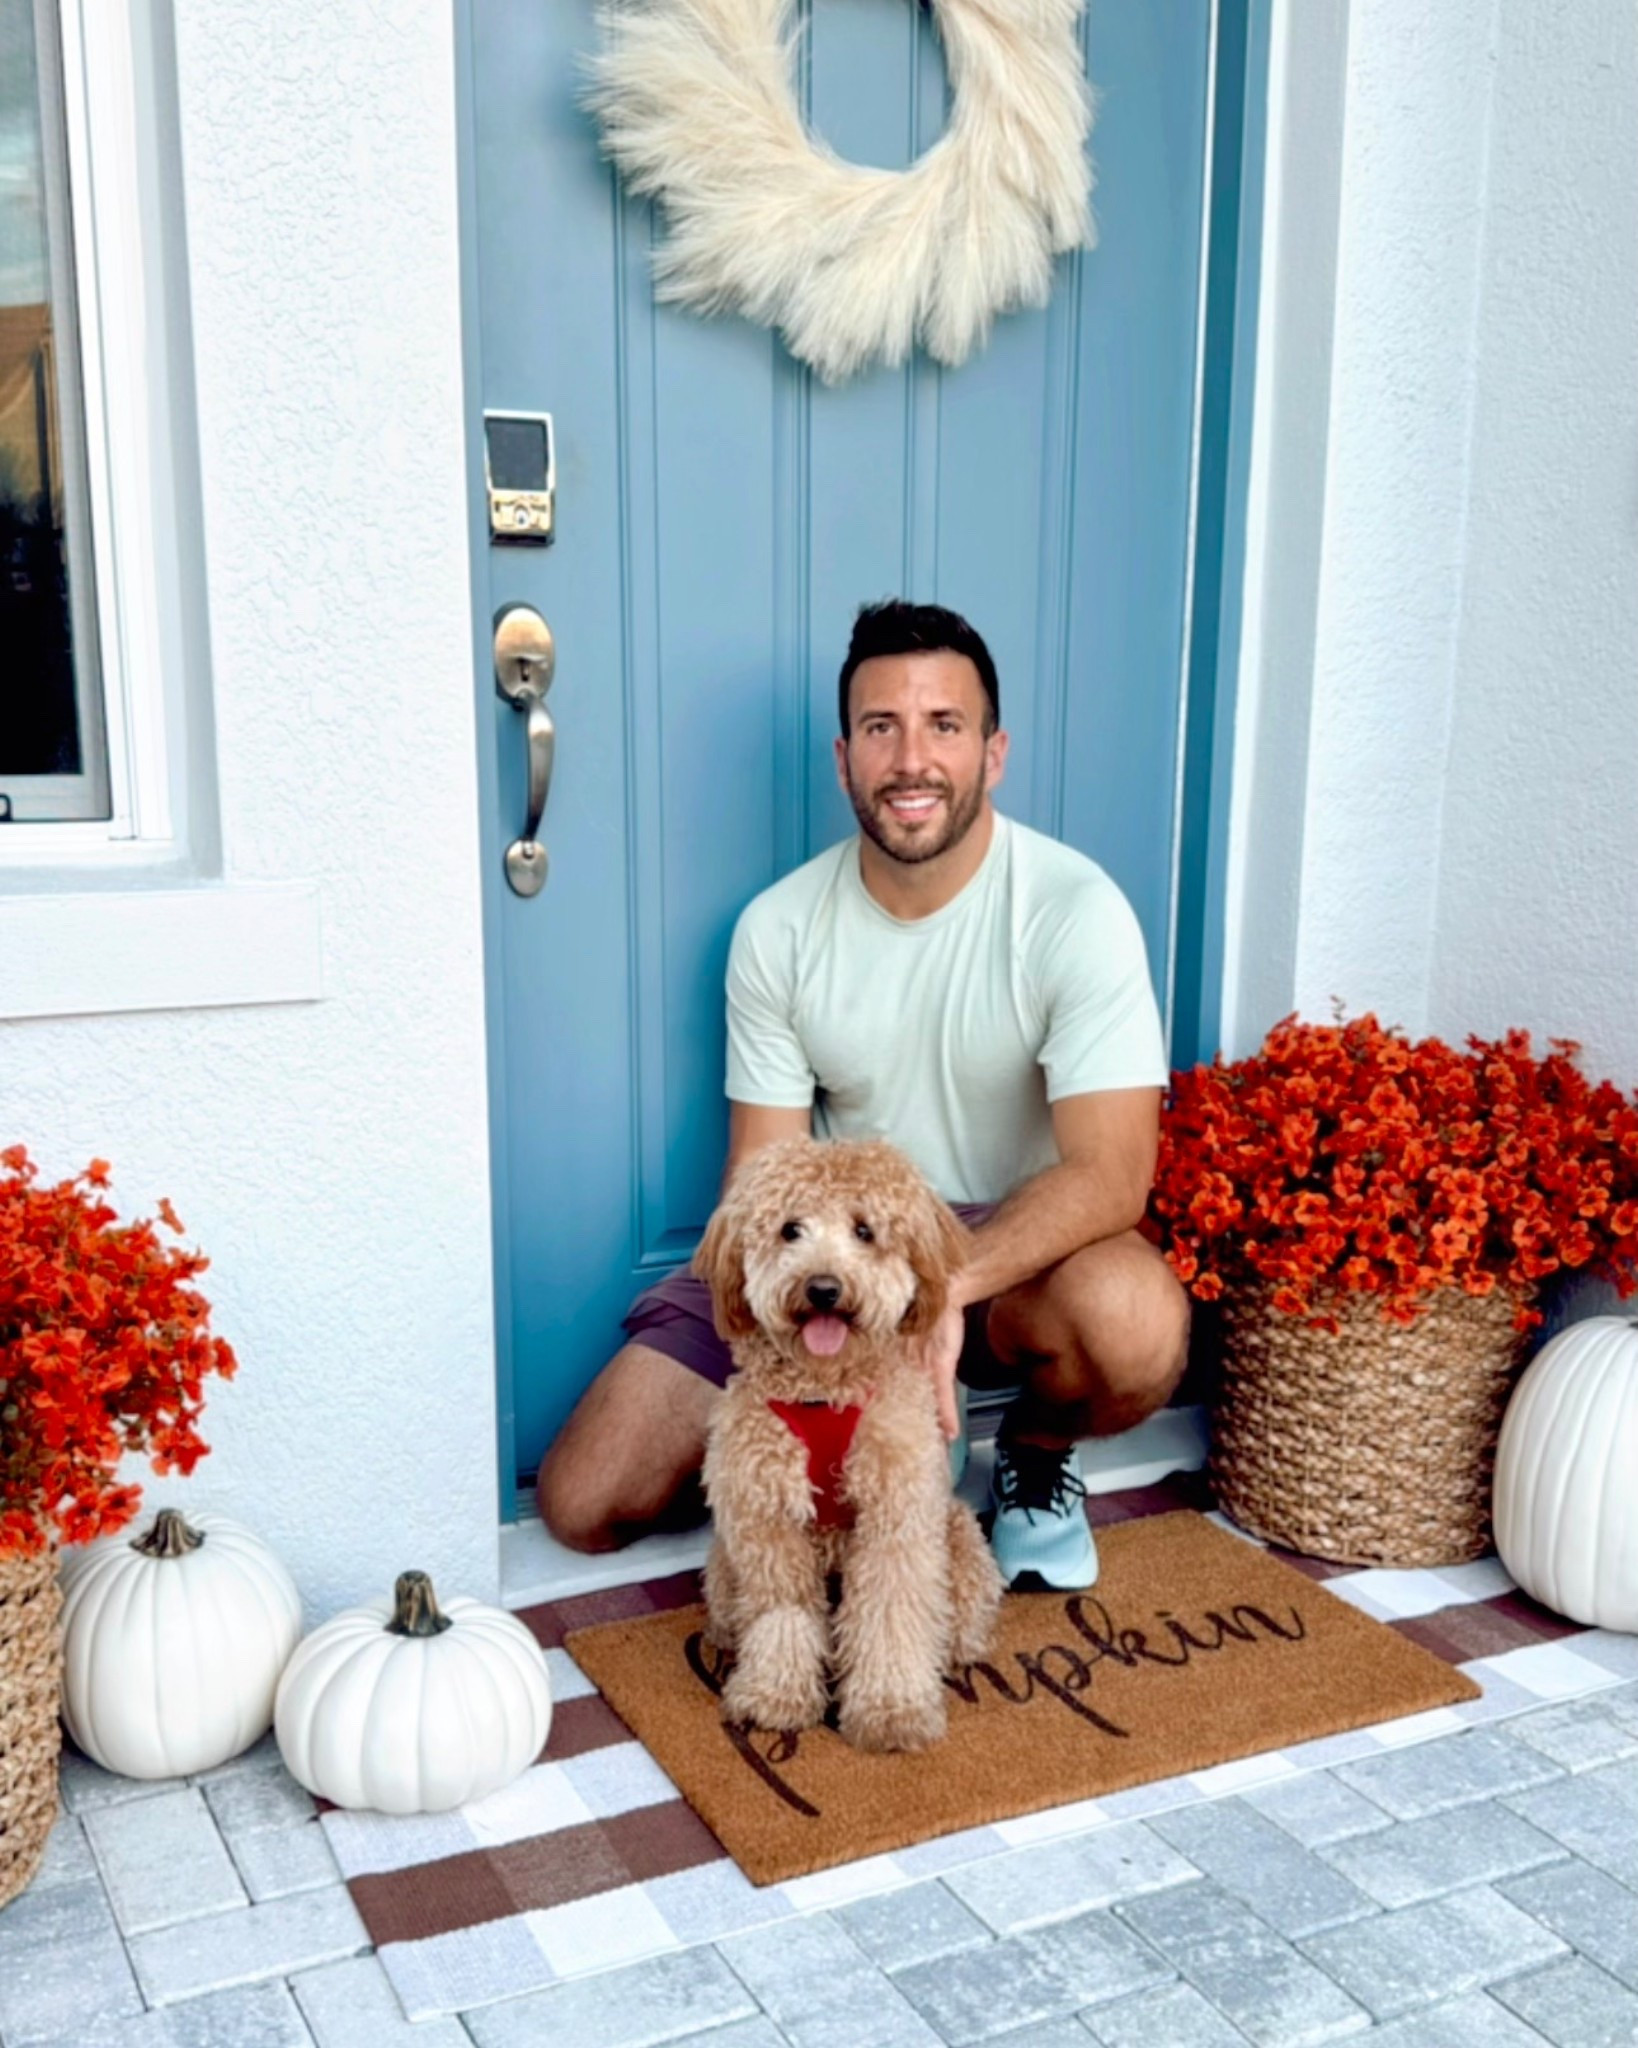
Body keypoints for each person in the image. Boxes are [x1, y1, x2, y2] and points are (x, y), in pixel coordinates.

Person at [537, 598, 1190, 1590]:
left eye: (945, 725)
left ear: (995, 751)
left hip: (1010, 1254)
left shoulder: (1075, 910)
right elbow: (762, 1175)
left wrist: (942, 1289)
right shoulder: (779, 927)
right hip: (829, 1245)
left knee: (1137, 1324)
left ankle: (1032, 1456)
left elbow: (1114, 1173)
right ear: (845, 759)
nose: (911, 759)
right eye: (882, 728)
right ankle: (825, 1474)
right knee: (584, 1498)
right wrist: (792, 1353)